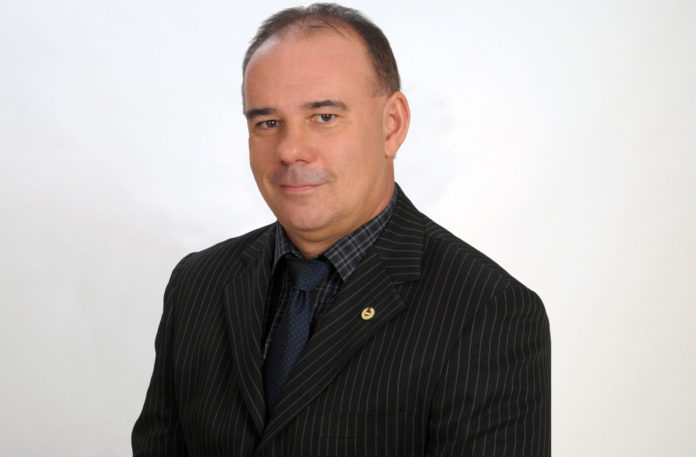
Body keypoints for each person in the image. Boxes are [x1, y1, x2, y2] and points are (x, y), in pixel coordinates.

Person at [132, 3, 550, 456]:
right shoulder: (197, 285)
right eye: (268, 123)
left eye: (324, 117)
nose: (290, 150)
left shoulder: (488, 311)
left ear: (392, 125)